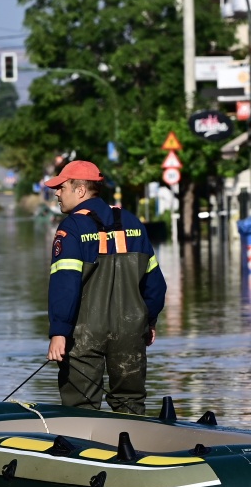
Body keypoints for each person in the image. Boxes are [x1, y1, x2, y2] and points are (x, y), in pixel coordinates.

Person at [45, 160, 166, 415]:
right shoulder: (132, 223)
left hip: (84, 334)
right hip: (131, 332)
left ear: (80, 190)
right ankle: (131, 450)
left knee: (80, 407)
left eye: (61, 187)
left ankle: (82, 452)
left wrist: (59, 331)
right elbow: (155, 283)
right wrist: (148, 320)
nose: (56, 193)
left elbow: (65, 286)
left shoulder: (72, 228)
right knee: (130, 404)